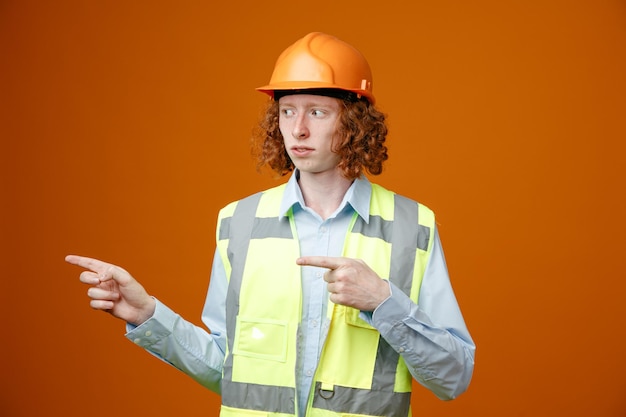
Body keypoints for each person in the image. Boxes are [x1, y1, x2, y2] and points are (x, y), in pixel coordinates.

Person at [66, 32, 475, 417]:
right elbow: (224, 371)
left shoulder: (412, 227)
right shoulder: (238, 223)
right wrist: (148, 315)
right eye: (287, 111)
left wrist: (384, 301)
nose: (297, 128)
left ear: (354, 122)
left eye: (317, 112)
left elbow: (453, 378)